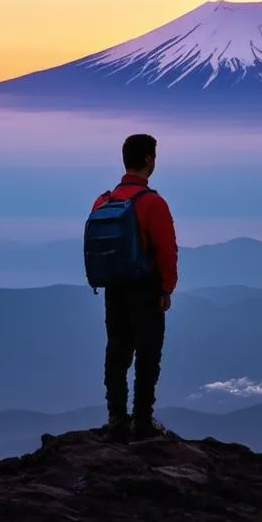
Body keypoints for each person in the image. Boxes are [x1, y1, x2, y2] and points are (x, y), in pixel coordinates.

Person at [90, 133, 178, 441]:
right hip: (146, 288)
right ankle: (142, 420)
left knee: (117, 349)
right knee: (148, 351)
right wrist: (167, 288)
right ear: (148, 160)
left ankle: (116, 418)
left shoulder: (104, 201)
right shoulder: (152, 203)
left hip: (114, 286)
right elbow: (166, 249)